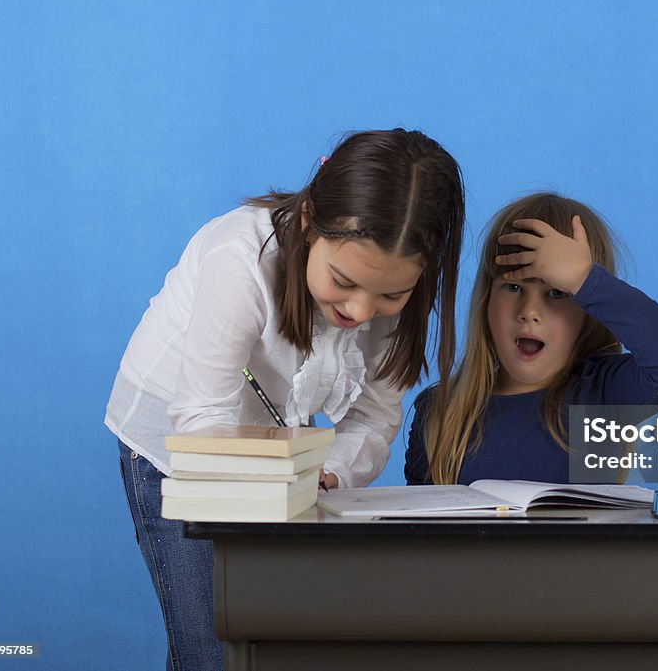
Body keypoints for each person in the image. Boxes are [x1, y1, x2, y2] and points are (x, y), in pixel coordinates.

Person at [106, 128, 465, 670]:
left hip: (274, 455)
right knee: (214, 647)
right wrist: (278, 486)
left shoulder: (390, 295)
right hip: (178, 440)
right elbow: (203, 420)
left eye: (392, 294)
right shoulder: (240, 260)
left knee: (273, 640)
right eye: (344, 280)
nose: (363, 311)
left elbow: (374, 415)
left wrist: (329, 476)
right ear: (307, 220)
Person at [405, 192, 658, 485]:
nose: (530, 312)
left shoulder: (602, 395)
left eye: (557, 293)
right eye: (513, 288)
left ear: (587, 311)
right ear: (486, 300)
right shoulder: (438, 411)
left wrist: (584, 278)